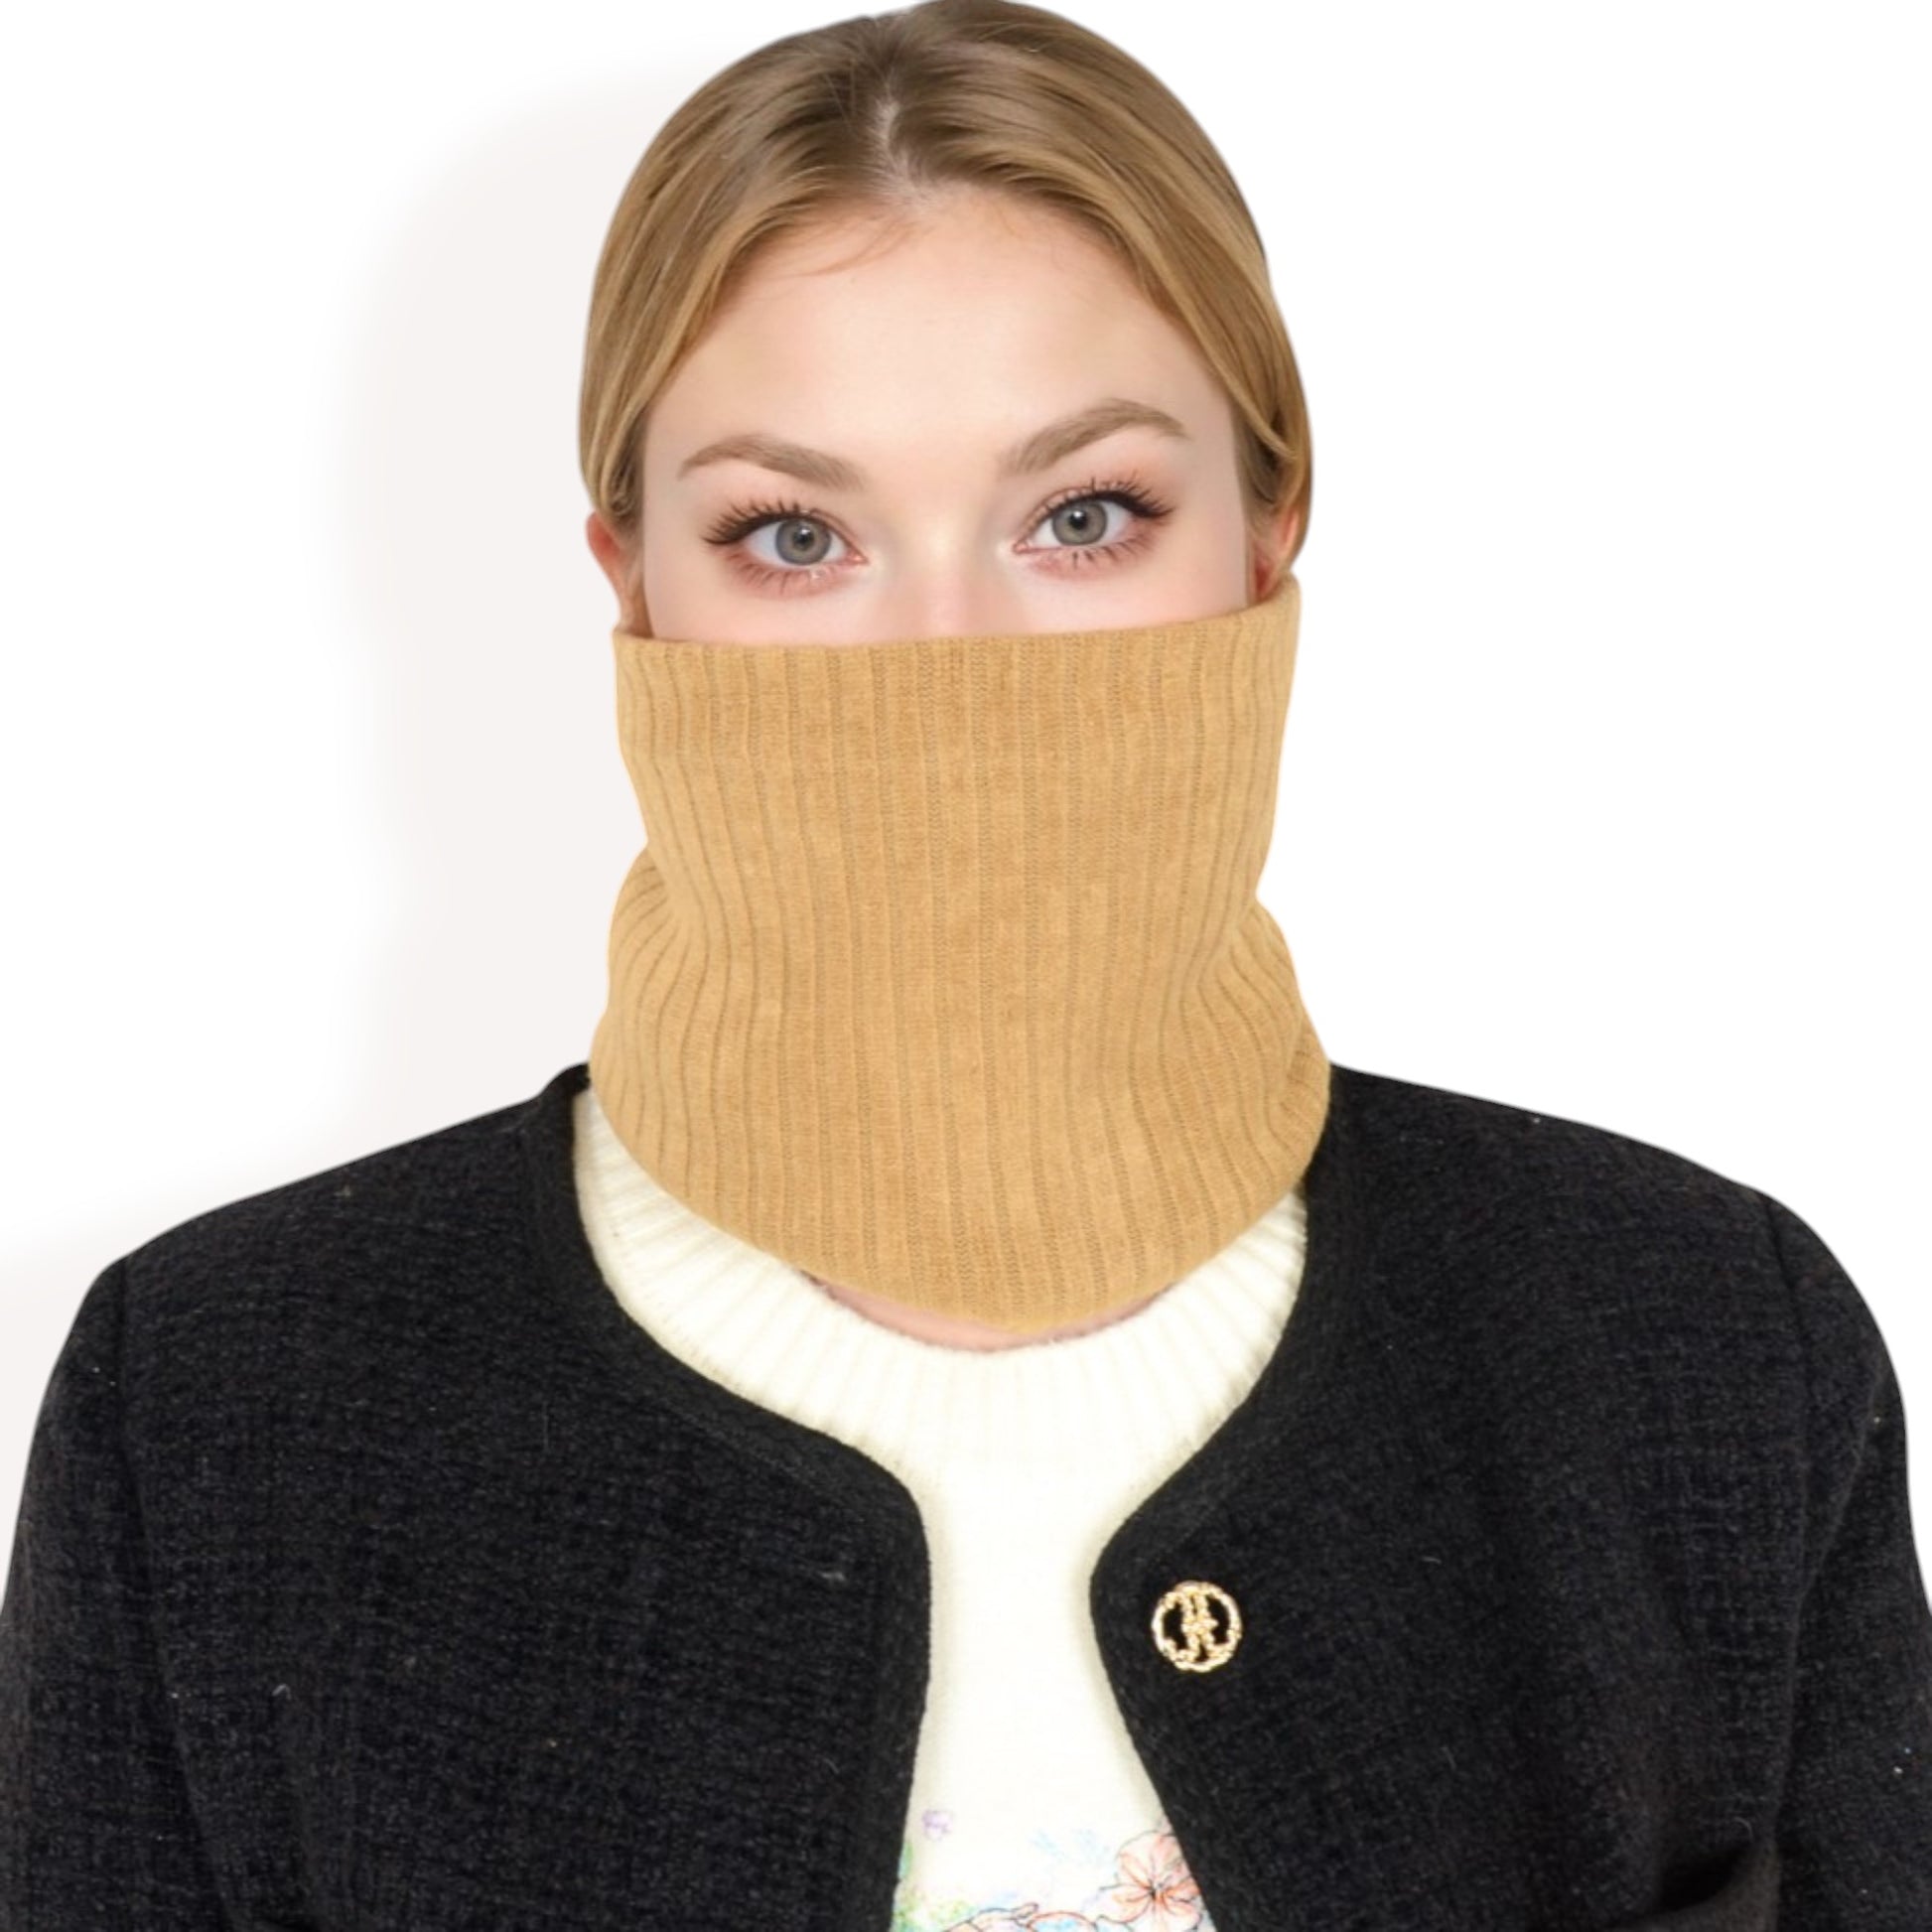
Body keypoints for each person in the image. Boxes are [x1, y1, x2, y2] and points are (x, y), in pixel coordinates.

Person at [2, 1, 1927, 1926]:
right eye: (793, 535)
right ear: (631, 584)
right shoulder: (215, 1418)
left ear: (1267, 539)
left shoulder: (1697, 1355)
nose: (949, 659)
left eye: (1082, 518)